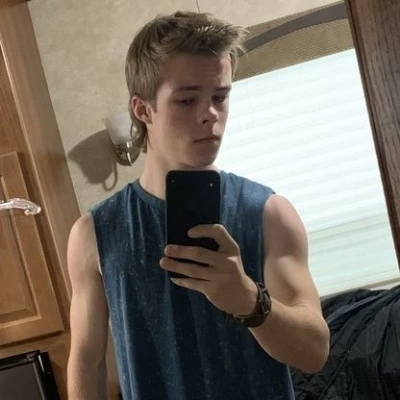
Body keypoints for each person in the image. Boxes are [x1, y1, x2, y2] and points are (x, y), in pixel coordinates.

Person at [66, 11, 330, 400]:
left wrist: (248, 299)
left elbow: (314, 353)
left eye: (220, 97)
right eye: (187, 100)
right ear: (142, 109)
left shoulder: (271, 214)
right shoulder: (94, 234)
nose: (210, 115)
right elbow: (88, 362)